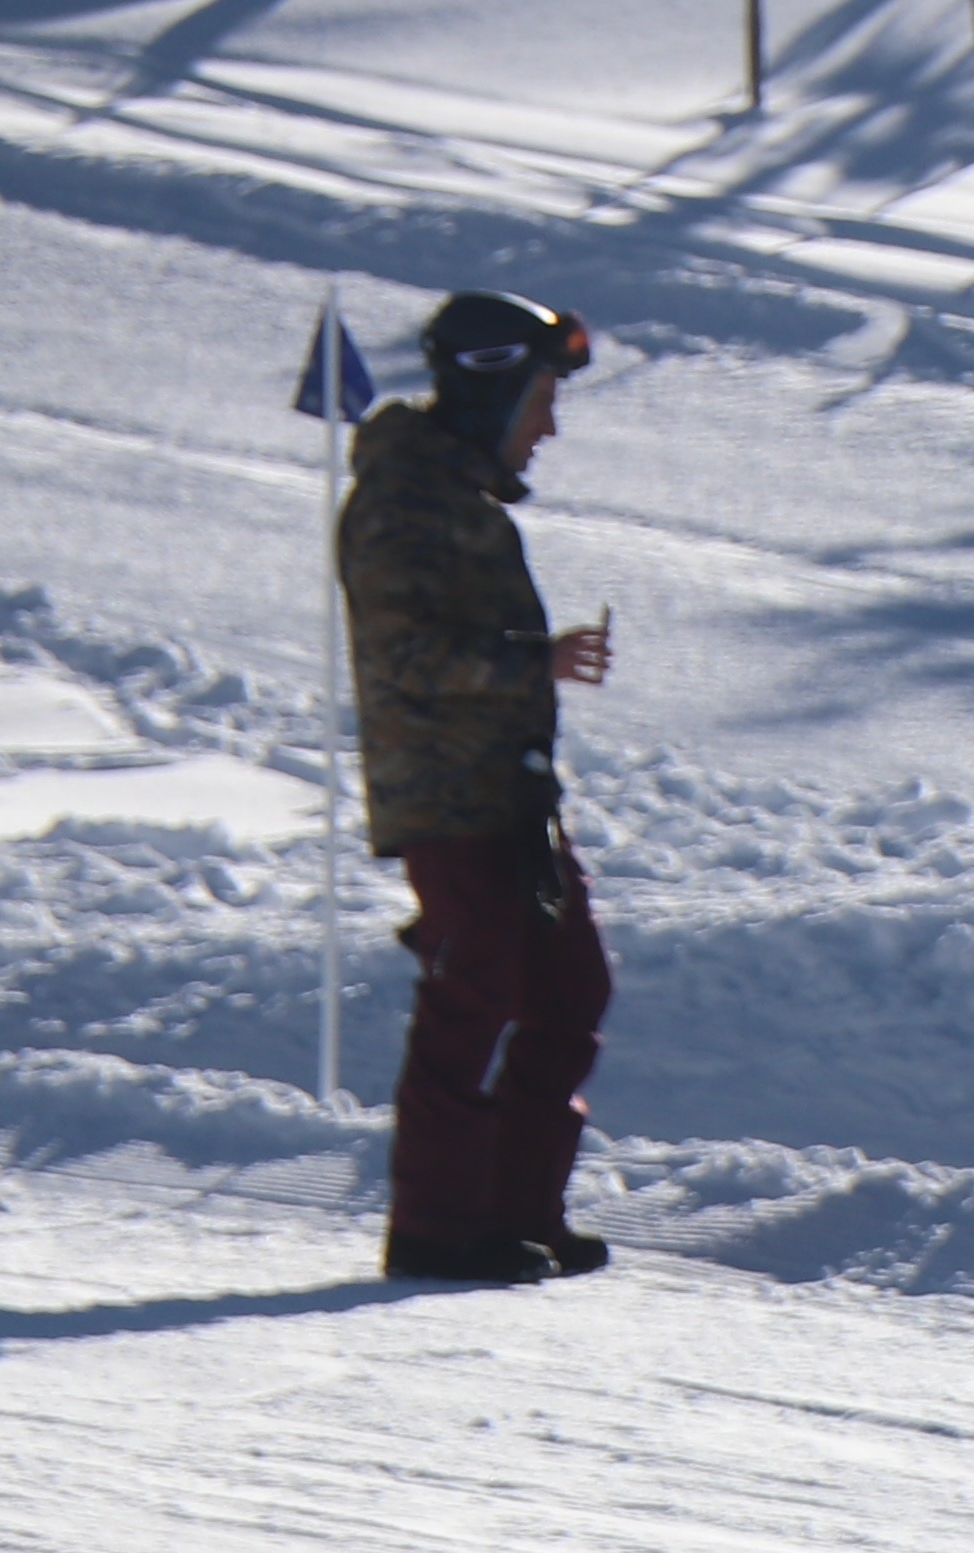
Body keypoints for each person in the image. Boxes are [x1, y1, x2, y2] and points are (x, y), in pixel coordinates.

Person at [340, 292, 616, 1288]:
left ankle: (516, 1214)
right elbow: (403, 652)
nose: (550, 424)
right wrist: (530, 663)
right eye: (541, 396)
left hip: (509, 796)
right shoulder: (402, 500)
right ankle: (436, 1230)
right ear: (492, 392)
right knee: (478, 992)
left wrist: (529, 673)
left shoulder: (457, 500)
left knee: (569, 985)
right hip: (447, 799)